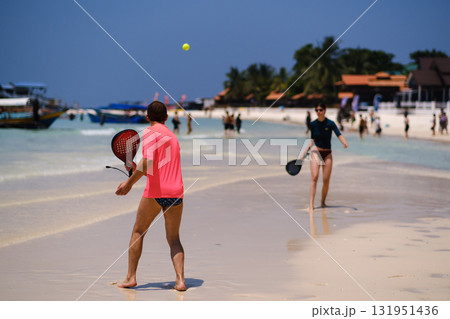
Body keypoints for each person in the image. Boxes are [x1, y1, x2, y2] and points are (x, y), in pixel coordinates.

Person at [115, 101, 186, 291]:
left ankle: (130, 278)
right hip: (176, 192)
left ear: (147, 117)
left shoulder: (149, 132)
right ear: (166, 118)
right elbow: (155, 166)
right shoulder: (172, 137)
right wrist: (135, 169)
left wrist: (129, 183)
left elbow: (148, 162)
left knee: (138, 232)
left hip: (155, 193)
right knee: (173, 239)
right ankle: (180, 281)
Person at [300, 103, 348, 213]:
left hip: (327, 154)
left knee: (326, 180)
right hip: (316, 152)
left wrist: (344, 142)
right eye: (316, 110)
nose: (318, 112)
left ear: (325, 111)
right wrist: (304, 153)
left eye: (320, 110)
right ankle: (311, 205)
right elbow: (312, 139)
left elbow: (338, 134)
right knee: (314, 177)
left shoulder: (330, 123)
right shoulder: (313, 124)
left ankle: (322, 202)